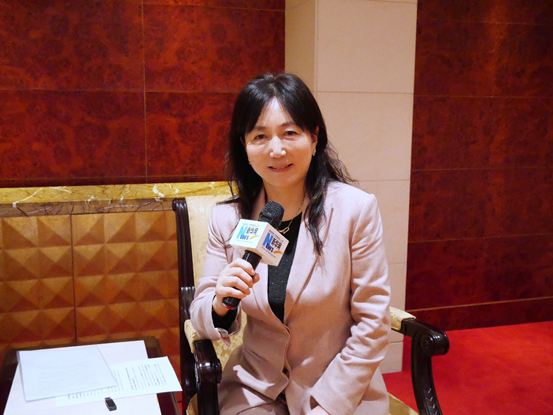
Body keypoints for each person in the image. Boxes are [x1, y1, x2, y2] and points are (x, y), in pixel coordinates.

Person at [190, 73, 391, 415]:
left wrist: (329, 407)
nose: (277, 150)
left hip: (339, 391)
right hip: (255, 390)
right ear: (244, 146)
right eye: (260, 136)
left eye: (290, 133)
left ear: (314, 138)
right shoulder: (227, 218)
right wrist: (220, 305)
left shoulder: (355, 210)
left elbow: (373, 324)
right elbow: (200, 313)